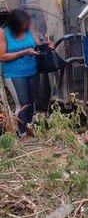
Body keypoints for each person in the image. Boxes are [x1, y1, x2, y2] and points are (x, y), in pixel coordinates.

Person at [0, 9, 49, 139]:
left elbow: (38, 44)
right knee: (22, 103)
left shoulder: (29, 29)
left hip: (32, 71)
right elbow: (2, 56)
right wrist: (23, 52)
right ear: (15, 23)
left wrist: (47, 44)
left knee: (31, 101)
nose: (26, 26)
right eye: (24, 23)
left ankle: (29, 128)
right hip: (14, 74)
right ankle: (20, 133)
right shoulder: (3, 33)